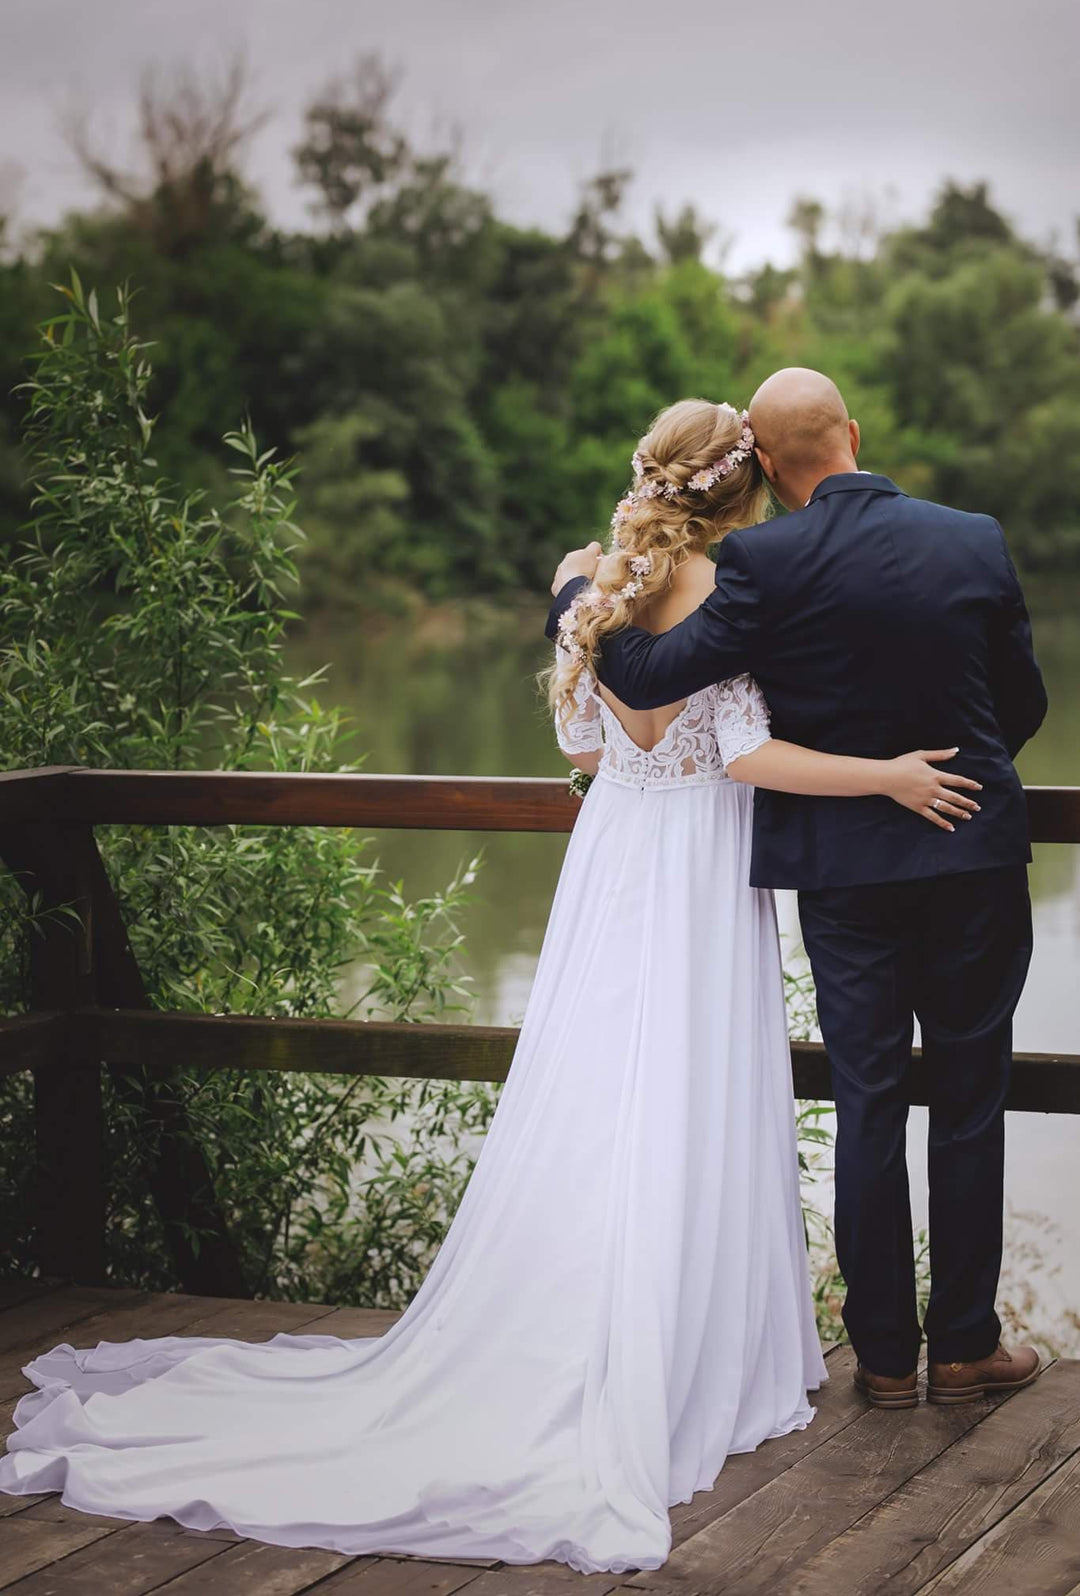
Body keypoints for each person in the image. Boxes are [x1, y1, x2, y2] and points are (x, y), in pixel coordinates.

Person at [0, 399, 998, 1578]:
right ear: (742, 490)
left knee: (599, 1093)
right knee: (689, 1095)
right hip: (696, 874)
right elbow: (742, 754)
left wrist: (626, 704)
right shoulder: (730, 593)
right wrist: (884, 772)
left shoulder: (589, 578)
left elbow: (586, 745)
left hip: (617, 860)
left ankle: (594, 1320)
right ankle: (693, 1345)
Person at [548, 369, 1048, 1412]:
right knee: (970, 1103)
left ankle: (879, 1358)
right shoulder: (976, 537)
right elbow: (1022, 706)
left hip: (842, 874)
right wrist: (941, 770)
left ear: (770, 466)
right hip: (971, 856)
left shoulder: (763, 560)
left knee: (868, 1101)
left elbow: (642, 677)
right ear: (854, 433)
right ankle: (963, 1348)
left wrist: (572, 597)